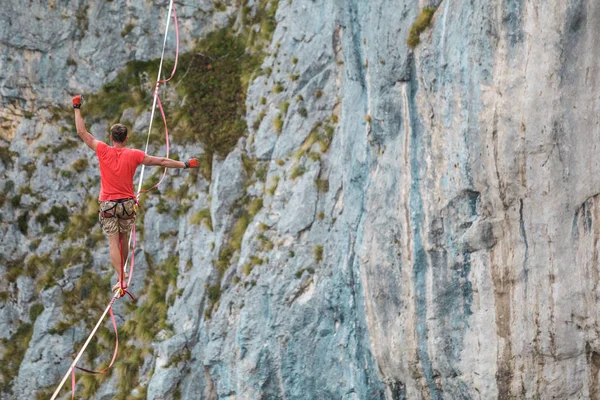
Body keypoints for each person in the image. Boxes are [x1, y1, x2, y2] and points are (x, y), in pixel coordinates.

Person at [71, 94, 198, 291]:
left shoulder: (103, 150)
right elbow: (162, 162)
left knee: (113, 242)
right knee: (124, 240)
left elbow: (81, 131)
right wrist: (185, 164)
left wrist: (77, 107)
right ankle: (123, 276)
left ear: (111, 138)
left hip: (108, 204)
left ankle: (121, 278)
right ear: (127, 138)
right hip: (127, 205)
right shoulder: (135, 155)